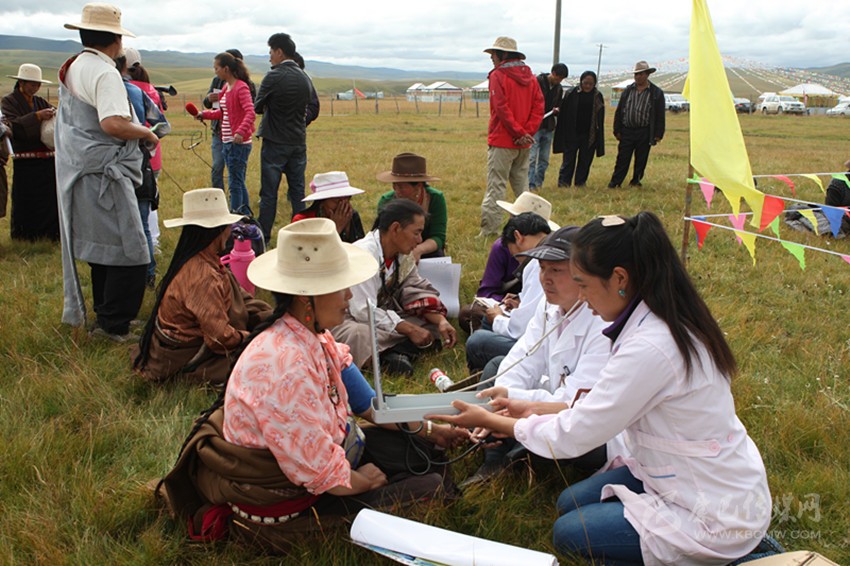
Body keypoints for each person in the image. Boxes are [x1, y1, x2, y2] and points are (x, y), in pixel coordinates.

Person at [432, 211, 771, 565]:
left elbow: (576, 432)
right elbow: (582, 399)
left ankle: (737, 554)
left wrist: (500, 420)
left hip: (713, 507)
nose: (582, 296)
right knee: (569, 504)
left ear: (620, 278)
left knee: (569, 533)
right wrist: (525, 407)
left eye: (583, 283)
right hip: (674, 471)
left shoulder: (650, 345)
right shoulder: (651, 318)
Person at [159, 218, 461, 548]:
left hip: (317, 464)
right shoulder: (287, 368)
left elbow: (368, 404)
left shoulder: (313, 336)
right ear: (308, 297)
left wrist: (431, 430)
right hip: (291, 501)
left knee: (423, 449)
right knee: (429, 487)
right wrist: (361, 481)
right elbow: (325, 476)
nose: (349, 295)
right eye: (341, 287)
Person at [462, 226, 610, 486]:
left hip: (585, 422)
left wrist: (512, 405)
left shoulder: (603, 322)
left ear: (583, 274)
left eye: (556, 270)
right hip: (548, 399)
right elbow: (523, 357)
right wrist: (504, 401)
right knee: (497, 368)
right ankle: (496, 458)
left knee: (566, 433)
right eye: (542, 268)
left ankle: (514, 455)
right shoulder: (549, 305)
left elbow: (573, 403)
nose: (545, 278)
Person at [56, 3, 159, 342]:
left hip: (83, 172)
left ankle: (107, 316)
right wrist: (146, 133)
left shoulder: (75, 66)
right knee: (131, 250)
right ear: (116, 40)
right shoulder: (105, 72)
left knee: (103, 249)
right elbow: (112, 123)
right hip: (105, 174)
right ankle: (114, 325)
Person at [132, 189, 272, 385]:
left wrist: (272, 317)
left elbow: (241, 297)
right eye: (227, 226)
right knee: (265, 361)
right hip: (192, 354)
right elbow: (220, 339)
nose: (230, 230)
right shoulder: (203, 277)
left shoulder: (200, 259)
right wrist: (251, 338)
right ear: (217, 231)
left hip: (191, 344)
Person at [332, 199, 457, 377]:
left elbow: (415, 289)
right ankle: (389, 356)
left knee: (431, 325)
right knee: (358, 334)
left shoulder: (403, 254)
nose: (420, 240)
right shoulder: (364, 255)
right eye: (416, 233)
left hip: (384, 313)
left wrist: (441, 321)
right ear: (396, 228)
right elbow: (363, 311)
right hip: (349, 318)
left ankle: (391, 352)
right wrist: (409, 329)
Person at [465, 210, 553, 373]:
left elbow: (520, 330)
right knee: (485, 322)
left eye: (514, 255)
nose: (517, 260)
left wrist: (498, 318)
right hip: (546, 338)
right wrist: (520, 301)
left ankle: (483, 373)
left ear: (518, 237)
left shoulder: (537, 263)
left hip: (543, 349)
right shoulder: (550, 252)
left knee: (477, 341)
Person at [480, 36, 545, 237]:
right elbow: (539, 107)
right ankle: (530, 229)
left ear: (504, 54)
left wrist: (519, 132)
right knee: (522, 188)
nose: (492, 57)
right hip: (523, 143)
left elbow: (501, 108)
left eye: (494, 54)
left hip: (502, 140)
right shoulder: (531, 78)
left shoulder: (498, 75)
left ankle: (490, 230)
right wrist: (526, 133)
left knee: (496, 187)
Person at [255, 32, 312, 243]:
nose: (270, 56)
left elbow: (258, 106)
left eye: (271, 51)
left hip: (275, 141)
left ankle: (264, 237)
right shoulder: (305, 78)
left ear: (279, 52)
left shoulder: (274, 76)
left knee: (269, 193)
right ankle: (301, 234)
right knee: (298, 192)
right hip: (298, 141)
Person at [1, 63, 60, 241]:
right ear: (21, 82)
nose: (35, 88)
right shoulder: (9, 102)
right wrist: (36, 117)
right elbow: (11, 126)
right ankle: (25, 235)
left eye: (38, 84)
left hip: (46, 161)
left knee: (48, 199)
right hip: (25, 161)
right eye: (32, 84)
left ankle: (49, 235)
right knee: (27, 199)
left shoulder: (40, 101)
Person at [196, 52, 256, 216]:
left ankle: (235, 216)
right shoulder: (226, 87)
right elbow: (222, 113)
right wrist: (203, 114)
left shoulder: (241, 87)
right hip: (228, 141)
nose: (215, 71)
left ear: (226, 69)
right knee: (237, 180)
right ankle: (245, 214)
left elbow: (250, 112)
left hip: (238, 143)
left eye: (217, 68)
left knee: (234, 183)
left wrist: (240, 132)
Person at [376, 153, 447, 260]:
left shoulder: (435, 198)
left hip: (426, 251)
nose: (397, 190)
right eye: (394, 185)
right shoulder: (386, 201)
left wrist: (418, 250)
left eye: (401, 187)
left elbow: (438, 237)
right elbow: (383, 235)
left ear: (418, 186)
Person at [608, 60, 665, 189]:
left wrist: (658, 134)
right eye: (636, 74)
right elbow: (620, 110)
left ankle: (636, 181)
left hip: (645, 131)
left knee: (641, 158)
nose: (638, 77)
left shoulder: (656, 93)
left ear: (647, 75)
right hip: (627, 130)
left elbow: (660, 115)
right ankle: (615, 182)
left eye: (641, 74)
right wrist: (617, 129)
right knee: (622, 158)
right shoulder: (628, 90)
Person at [554, 70, 605, 188]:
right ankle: (563, 183)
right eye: (585, 83)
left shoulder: (597, 96)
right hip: (572, 133)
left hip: (589, 135)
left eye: (591, 84)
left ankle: (580, 183)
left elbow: (600, 118)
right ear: (581, 81)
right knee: (568, 160)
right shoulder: (571, 93)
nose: (587, 86)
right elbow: (563, 114)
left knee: (585, 161)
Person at [293, 171, 365, 243]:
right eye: (337, 201)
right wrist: (336, 229)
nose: (343, 205)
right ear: (321, 202)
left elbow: (361, 247)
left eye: (347, 199)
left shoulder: (352, 215)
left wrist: (349, 230)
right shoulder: (302, 221)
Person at [528, 63, 568, 192]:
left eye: (562, 79)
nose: (559, 81)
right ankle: (530, 184)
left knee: (544, 159)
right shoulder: (537, 82)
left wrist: (556, 110)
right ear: (553, 73)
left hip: (548, 126)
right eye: (558, 78)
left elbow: (558, 104)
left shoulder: (559, 88)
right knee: (531, 157)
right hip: (535, 126)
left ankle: (539, 184)